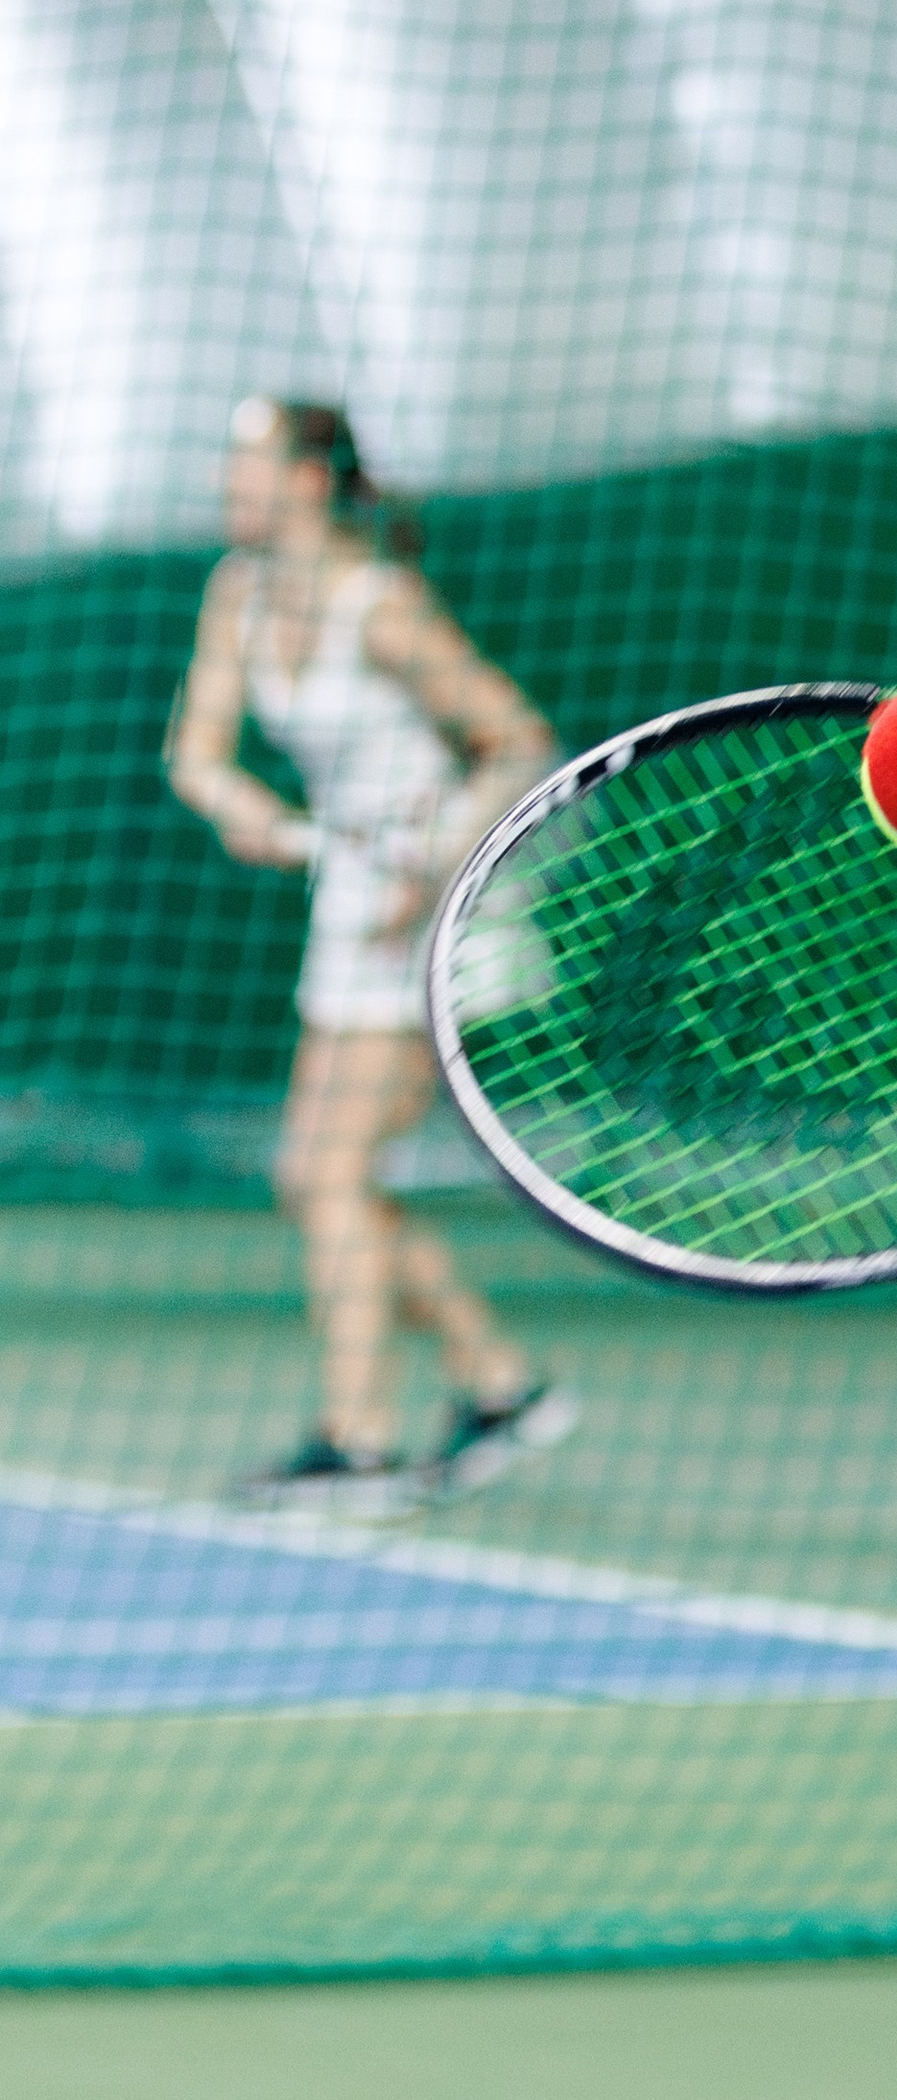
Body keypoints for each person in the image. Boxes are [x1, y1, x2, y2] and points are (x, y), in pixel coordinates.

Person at [167, 397, 575, 1510]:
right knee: (319, 1174)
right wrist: (237, 804)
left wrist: (437, 865)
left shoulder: (382, 607)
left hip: (440, 908)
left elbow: (518, 741)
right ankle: (499, 1383)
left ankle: (361, 1439)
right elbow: (194, 754)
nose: (225, 481)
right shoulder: (236, 594)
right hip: (350, 903)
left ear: (306, 481)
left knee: (327, 1170)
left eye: (245, 462)